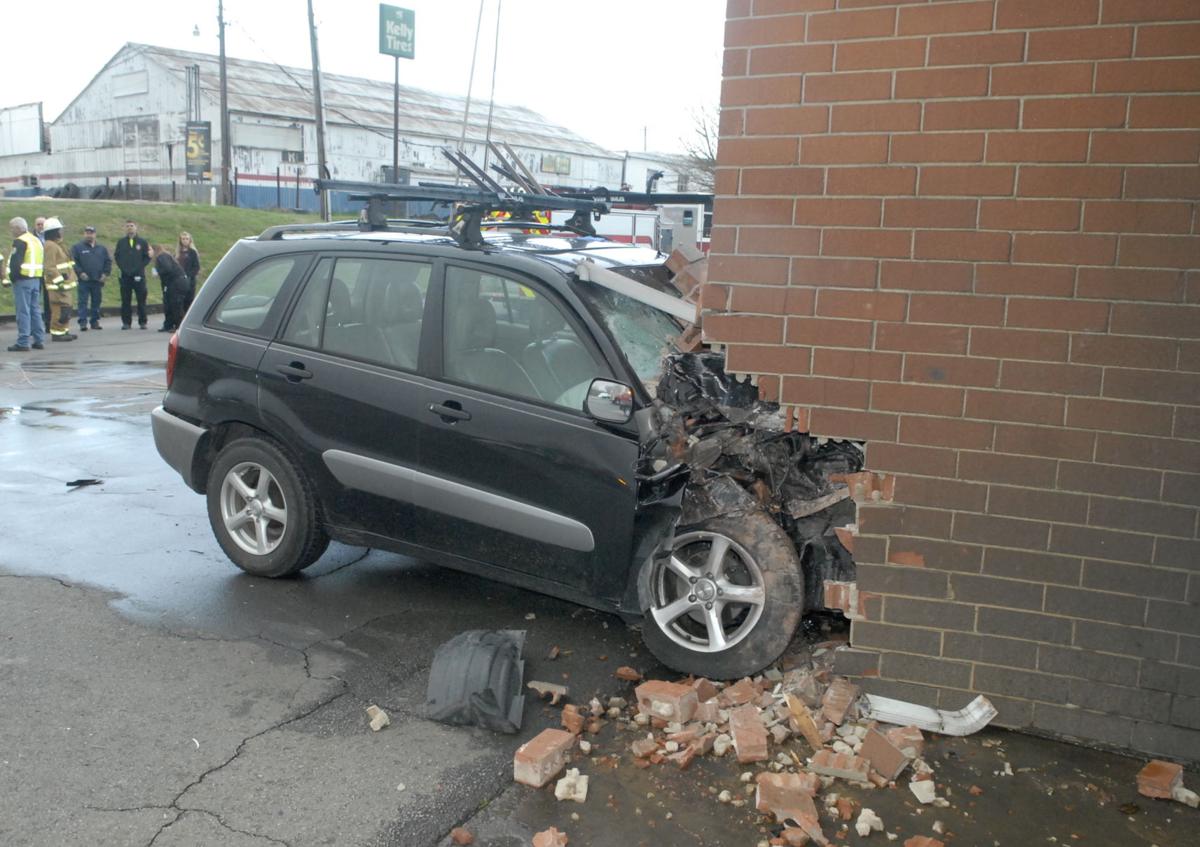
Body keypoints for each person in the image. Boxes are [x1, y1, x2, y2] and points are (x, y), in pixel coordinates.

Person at [5, 217, 46, 352]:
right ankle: (39, 340)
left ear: (18, 228)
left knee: (23, 311)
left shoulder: (20, 241)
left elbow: (16, 263)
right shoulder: (35, 240)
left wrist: (12, 277)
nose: (11, 231)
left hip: (23, 280)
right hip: (36, 279)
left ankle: (23, 341)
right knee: (35, 310)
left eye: (12, 228)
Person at [40, 218, 77, 342]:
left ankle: (64, 330)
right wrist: (59, 281)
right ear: (54, 231)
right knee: (59, 309)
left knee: (66, 308)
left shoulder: (58, 244)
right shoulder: (50, 245)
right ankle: (57, 333)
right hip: (57, 286)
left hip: (65, 284)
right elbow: (49, 266)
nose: (62, 231)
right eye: (60, 230)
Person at [71, 225, 111, 331]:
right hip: (84, 280)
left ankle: (95, 321)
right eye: (87, 233)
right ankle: (83, 322)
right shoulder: (77, 248)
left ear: (95, 234)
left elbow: (108, 262)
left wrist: (105, 274)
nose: (89, 235)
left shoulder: (101, 248)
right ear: (84, 234)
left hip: (97, 280)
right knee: (82, 301)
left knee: (96, 301)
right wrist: (80, 273)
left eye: (91, 233)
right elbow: (74, 262)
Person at [114, 219, 150, 329]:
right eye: (128, 226)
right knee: (125, 300)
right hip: (125, 276)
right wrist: (123, 268)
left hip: (139, 276)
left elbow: (147, 257)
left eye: (132, 225)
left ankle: (142, 322)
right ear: (125, 228)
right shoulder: (121, 242)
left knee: (141, 300)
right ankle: (126, 322)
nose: (130, 227)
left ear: (136, 227)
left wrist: (139, 268)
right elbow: (117, 257)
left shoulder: (142, 242)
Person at [150, 244, 186, 332]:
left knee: (175, 304)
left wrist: (158, 272)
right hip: (171, 283)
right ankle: (168, 324)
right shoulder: (162, 257)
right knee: (168, 304)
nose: (148, 252)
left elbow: (168, 269)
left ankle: (178, 326)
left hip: (176, 283)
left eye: (149, 250)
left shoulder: (162, 256)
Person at [176, 231, 200, 317]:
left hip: (189, 280)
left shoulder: (193, 252)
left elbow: (196, 267)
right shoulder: (177, 253)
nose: (185, 240)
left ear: (190, 240)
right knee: (179, 302)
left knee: (188, 301)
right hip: (179, 281)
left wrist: (188, 275)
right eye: (183, 239)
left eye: (187, 239)